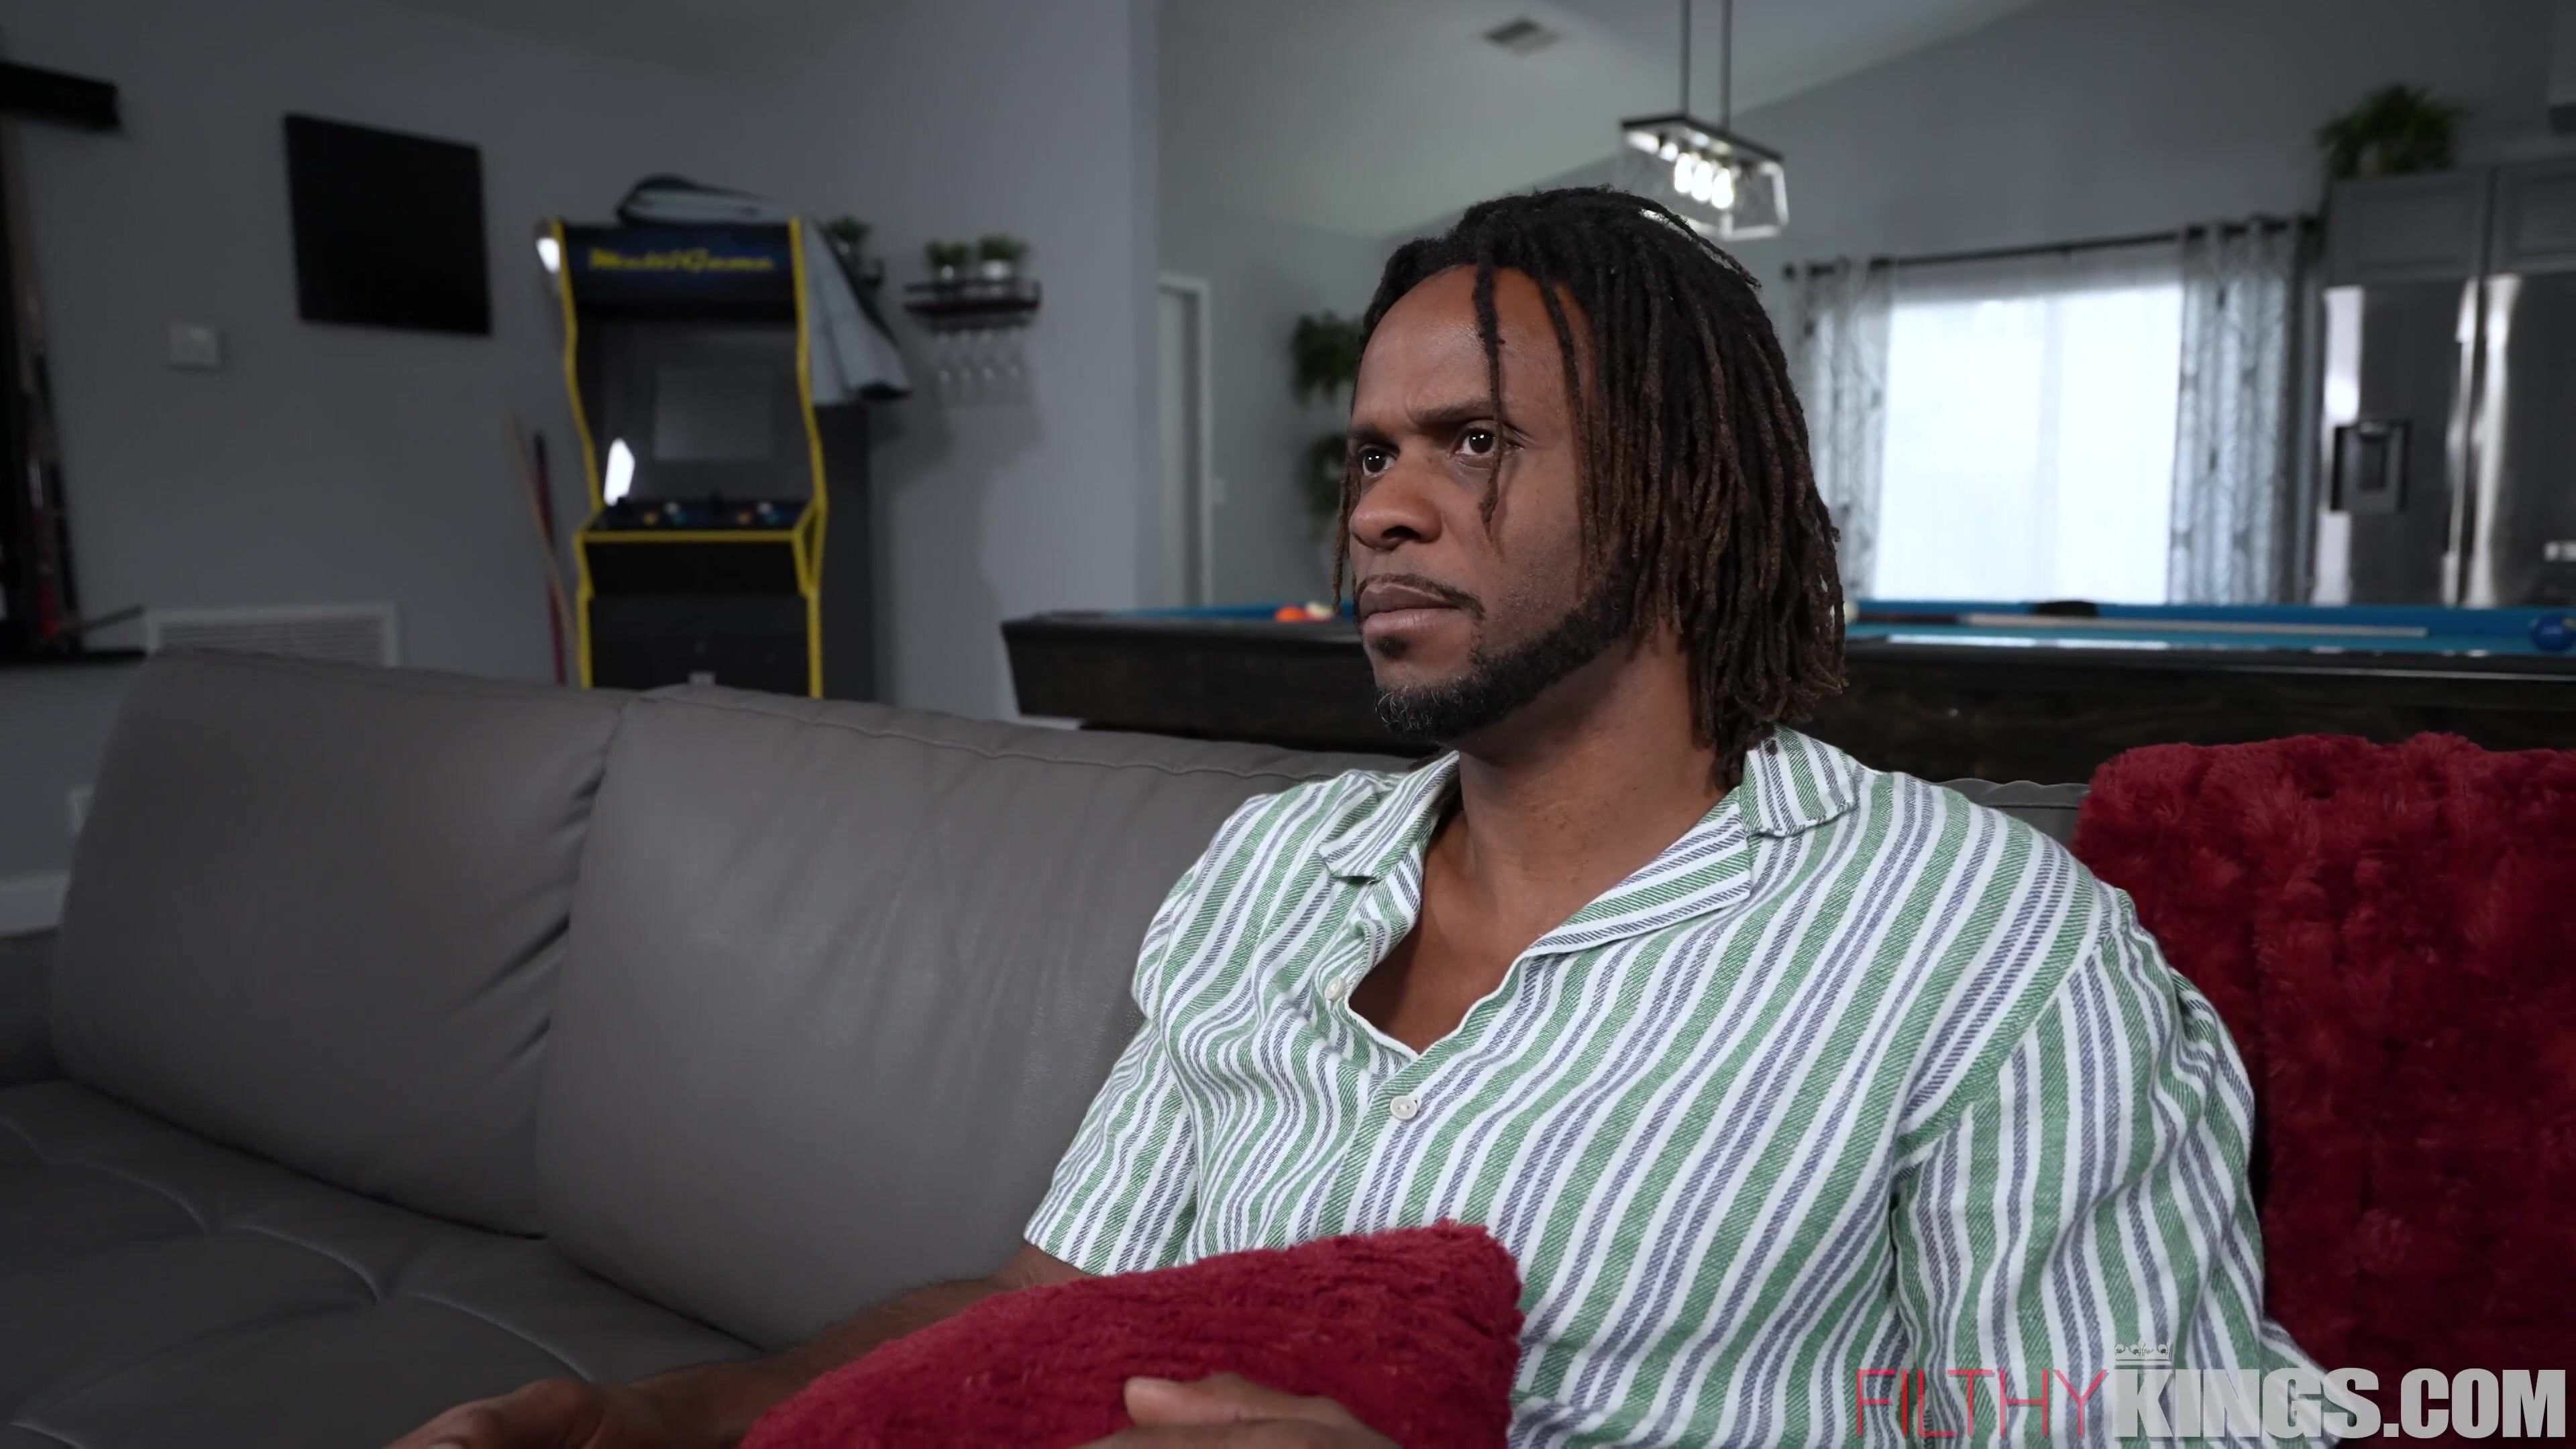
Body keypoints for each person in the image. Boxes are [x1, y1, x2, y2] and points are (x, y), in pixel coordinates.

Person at [397, 187, 2310, 1448]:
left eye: (1474, 441)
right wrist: (663, 1418)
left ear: (1685, 489)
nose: (1382, 507)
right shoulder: (1272, 873)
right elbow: (1048, 1309)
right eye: (1373, 451)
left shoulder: (1986, 944)